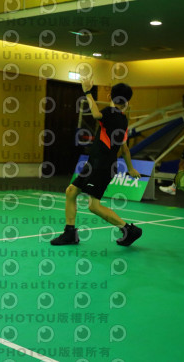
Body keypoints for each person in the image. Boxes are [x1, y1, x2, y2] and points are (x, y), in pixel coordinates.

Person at [50, 78, 143, 247]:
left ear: (110, 96)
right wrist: (130, 168)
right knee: (71, 191)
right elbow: (125, 149)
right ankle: (69, 233)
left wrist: (87, 92)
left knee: (94, 206)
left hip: (101, 166)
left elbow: (96, 114)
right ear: (127, 101)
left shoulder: (109, 112)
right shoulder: (123, 120)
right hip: (95, 164)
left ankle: (129, 230)